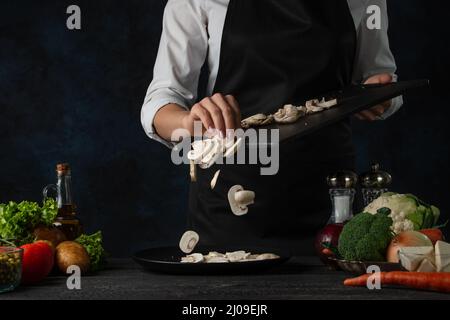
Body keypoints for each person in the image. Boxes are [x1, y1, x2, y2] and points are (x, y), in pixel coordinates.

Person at [141, 0, 402, 255]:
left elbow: (381, 75)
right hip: (231, 205)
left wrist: (380, 96)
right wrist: (188, 122)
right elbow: (161, 102)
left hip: (332, 205)